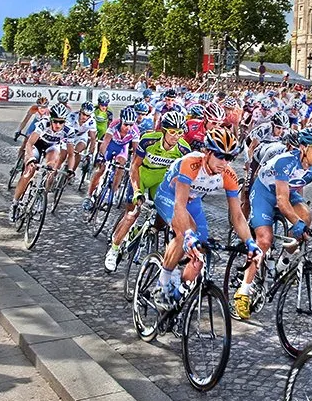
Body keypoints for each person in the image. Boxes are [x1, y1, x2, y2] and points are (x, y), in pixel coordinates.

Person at [234, 127, 312, 319]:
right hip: (265, 193)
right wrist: (296, 223)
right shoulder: (286, 162)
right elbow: (281, 201)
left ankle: (282, 263)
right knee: (264, 239)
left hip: (288, 192)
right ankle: (243, 291)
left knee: (307, 215)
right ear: (303, 148)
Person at [151, 127, 258, 305]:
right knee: (186, 232)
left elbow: (237, 215)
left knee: (200, 249)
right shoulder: (190, 163)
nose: (224, 162)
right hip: (169, 197)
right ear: (207, 152)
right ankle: (162, 284)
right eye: (219, 155)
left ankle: (178, 297)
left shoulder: (228, 175)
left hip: (193, 203)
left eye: (229, 157)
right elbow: (179, 204)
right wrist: (187, 235)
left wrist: (250, 242)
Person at [103, 111, 189, 272]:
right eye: (172, 132)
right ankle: (114, 250)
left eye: (179, 132)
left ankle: (153, 233)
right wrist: (137, 191)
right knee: (133, 213)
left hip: (160, 180)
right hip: (142, 175)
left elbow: (183, 177)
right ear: (163, 131)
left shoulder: (184, 149)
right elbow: (135, 166)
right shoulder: (149, 140)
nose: (176, 136)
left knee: (166, 215)